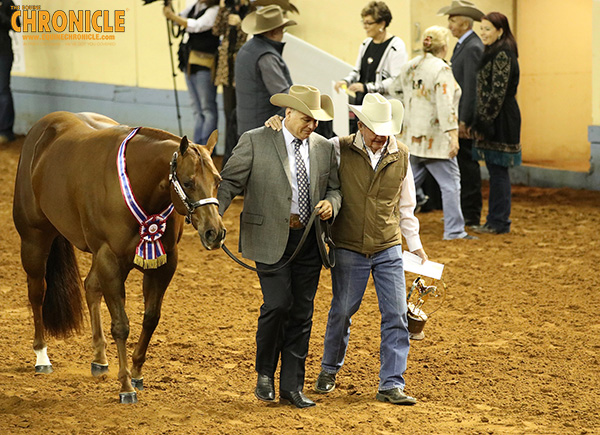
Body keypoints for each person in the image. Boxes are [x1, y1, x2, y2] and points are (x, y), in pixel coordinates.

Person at [264, 93, 428, 405]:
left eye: (385, 130)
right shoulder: (337, 148)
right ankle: (329, 368)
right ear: (360, 125)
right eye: (374, 128)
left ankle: (391, 384)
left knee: (396, 314)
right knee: (342, 311)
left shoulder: (402, 155)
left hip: (388, 245)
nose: (380, 135)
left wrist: (416, 246)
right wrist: (274, 124)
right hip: (349, 245)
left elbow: (407, 208)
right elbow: (297, 142)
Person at [217, 85, 342, 409]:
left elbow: (334, 188)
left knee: (302, 312)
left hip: (308, 241)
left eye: (316, 120)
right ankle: (264, 373)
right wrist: (213, 216)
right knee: (278, 304)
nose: (312, 125)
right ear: (287, 113)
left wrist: (331, 202)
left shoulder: (323, 148)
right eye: (306, 118)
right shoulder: (256, 139)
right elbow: (230, 182)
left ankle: (292, 386)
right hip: (269, 239)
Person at [391, 26, 476, 241]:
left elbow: (395, 90)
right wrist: (453, 137)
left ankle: (384, 224)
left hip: (411, 136)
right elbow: (446, 106)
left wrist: (408, 109)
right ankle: (454, 230)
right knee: (450, 184)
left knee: (405, 185)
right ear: (444, 47)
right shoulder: (441, 69)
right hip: (436, 139)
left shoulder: (410, 66)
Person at [470, 12, 521, 235]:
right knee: (495, 171)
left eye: (488, 29)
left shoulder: (503, 54)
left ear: (500, 31)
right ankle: (495, 220)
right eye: (481, 28)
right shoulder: (494, 51)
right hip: (494, 117)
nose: (483, 33)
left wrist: (483, 122)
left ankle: (499, 222)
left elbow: (497, 94)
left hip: (501, 120)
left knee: (498, 172)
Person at [438, 0, 485, 227]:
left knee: (467, 167)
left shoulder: (472, 48)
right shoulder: (466, 46)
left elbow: (471, 88)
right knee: (461, 166)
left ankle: (471, 215)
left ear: (465, 23)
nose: (450, 26)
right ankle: (463, 213)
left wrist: (465, 119)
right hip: (459, 117)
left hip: (463, 118)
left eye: (453, 21)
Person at [333, 1, 407, 133]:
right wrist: (346, 81)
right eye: (363, 22)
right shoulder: (365, 44)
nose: (365, 27)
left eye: (369, 23)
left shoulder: (396, 46)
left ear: (382, 24)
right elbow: (357, 71)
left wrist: (367, 87)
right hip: (362, 105)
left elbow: (396, 81)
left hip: (382, 109)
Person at [164, 0, 220, 146]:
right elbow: (179, 20)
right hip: (189, 63)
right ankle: (196, 145)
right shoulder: (195, 6)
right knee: (197, 109)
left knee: (207, 109)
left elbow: (197, 25)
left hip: (205, 65)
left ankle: (206, 146)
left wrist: (173, 17)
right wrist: (169, 8)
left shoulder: (214, 9)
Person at [234, 4, 295, 136]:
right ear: (273, 32)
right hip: (263, 129)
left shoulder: (247, 48)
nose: (282, 35)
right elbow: (283, 95)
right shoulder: (266, 57)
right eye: (282, 30)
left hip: (248, 127)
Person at [212, 0, 250, 168]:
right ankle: (229, 162)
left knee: (241, 119)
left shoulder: (252, 11)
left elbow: (252, 36)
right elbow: (216, 30)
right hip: (227, 74)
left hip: (243, 73)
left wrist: (241, 24)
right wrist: (222, 8)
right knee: (229, 117)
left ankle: (241, 162)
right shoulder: (227, 9)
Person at [0, 1, 18, 143]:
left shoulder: (8, 3)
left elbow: (17, 24)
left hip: (3, 54)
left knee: (3, 90)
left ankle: (6, 131)